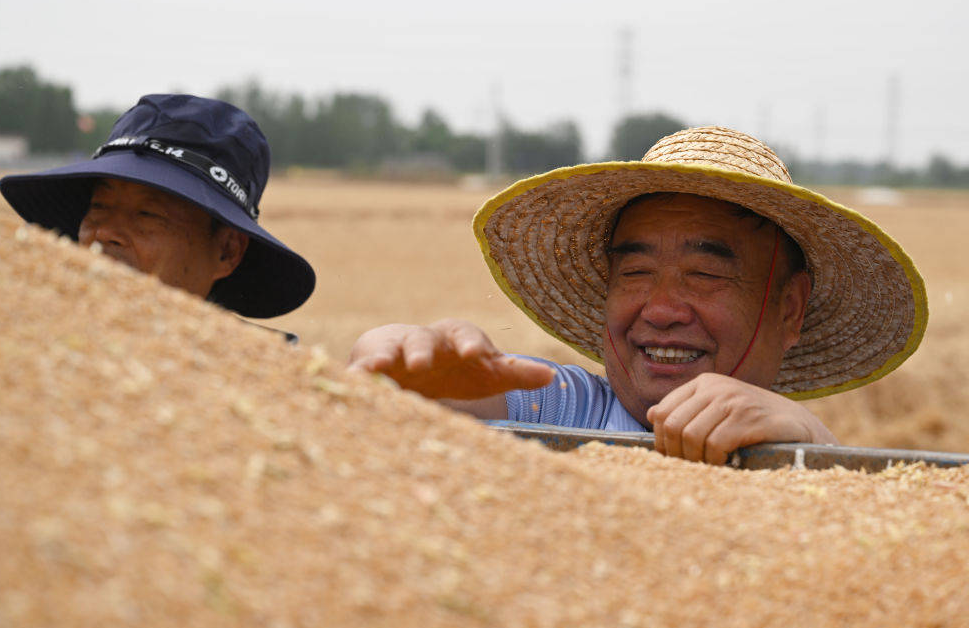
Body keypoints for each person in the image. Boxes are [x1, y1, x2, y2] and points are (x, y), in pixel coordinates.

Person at [349, 126, 928, 465]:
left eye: (705, 273)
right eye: (635, 272)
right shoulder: (569, 408)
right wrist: (401, 364)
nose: (660, 309)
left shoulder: (800, 447)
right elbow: (445, 399)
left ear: (789, 309)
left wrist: (811, 443)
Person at [0, 94, 315, 326]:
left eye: (147, 214)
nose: (104, 232)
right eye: (98, 206)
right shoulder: (22, 340)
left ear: (226, 251)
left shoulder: (258, 387)